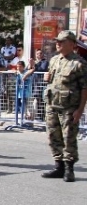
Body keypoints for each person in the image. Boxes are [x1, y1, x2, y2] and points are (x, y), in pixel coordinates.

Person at [40, 30, 87, 182]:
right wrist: (47, 78)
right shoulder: (54, 60)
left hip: (69, 108)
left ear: (72, 44)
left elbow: (84, 88)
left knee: (69, 139)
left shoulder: (79, 63)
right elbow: (52, 81)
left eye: (62, 41)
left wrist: (80, 110)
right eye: (57, 41)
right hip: (52, 105)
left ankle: (69, 169)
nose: (57, 43)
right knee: (53, 137)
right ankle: (59, 166)